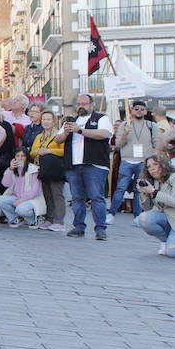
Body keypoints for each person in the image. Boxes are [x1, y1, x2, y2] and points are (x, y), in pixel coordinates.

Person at [57, 93, 112, 240]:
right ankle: (78, 226)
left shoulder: (101, 118)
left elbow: (105, 134)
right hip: (74, 165)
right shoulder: (70, 121)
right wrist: (67, 132)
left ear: (92, 105)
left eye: (84, 103)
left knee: (96, 197)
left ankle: (100, 229)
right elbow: (58, 139)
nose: (81, 106)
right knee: (77, 198)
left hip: (94, 164)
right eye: (79, 104)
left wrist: (80, 130)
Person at [109, 100, 159, 223]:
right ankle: (111, 214)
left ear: (146, 111)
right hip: (127, 160)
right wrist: (125, 133)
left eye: (142, 109)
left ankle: (137, 216)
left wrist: (153, 160)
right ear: (131, 111)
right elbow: (118, 145)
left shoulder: (151, 126)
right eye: (136, 109)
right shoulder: (124, 125)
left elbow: (157, 144)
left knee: (139, 190)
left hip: (143, 161)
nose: (139, 111)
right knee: (120, 188)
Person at [29, 109, 67, 230]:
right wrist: (38, 152)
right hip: (43, 169)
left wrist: (50, 151)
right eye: (44, 119)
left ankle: (59, 221)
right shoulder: (39, 136)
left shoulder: (59, 135)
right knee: (47, 194)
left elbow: (64, 151)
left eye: (48, 119)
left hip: (55, 168)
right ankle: (49, 219)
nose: (46, 122)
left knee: (57, 193)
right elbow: (32, 152)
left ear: (54, 121)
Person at [0, 148, 44, 227]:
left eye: (22, 156)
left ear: (27, 157)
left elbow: (35, 190)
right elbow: (5, 184)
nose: (20, 158)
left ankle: (33, 220)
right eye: (18, 156)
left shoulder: (33, 169)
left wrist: (22, 200)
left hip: (31, 199)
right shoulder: (13, 168)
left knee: (20, 209)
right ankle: (15, 218)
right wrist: (10, 169)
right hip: (16, 197)